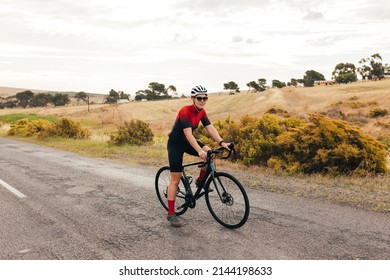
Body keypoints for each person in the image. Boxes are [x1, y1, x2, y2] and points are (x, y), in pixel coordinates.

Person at [166, 85, 231, 227]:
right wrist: (200, 151)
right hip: (176, 145)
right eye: (199, 98)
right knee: (175, 180)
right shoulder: (185, 111)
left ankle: (200, 182)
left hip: (189, 142)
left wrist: (221, 142)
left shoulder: (202, 112)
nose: (202, 101)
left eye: (205, 98)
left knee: (210, 154)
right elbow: (188, 134)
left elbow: (210, 128)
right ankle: (171, 213)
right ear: (193, 98)